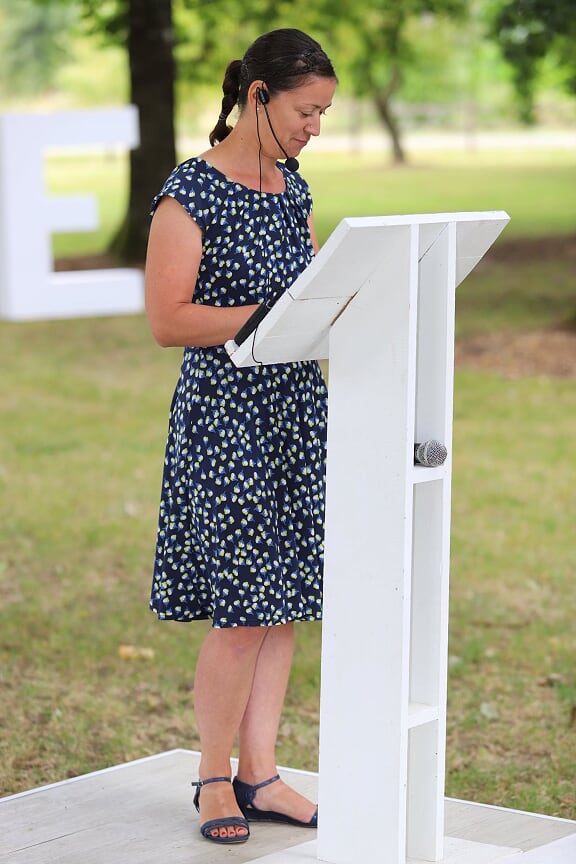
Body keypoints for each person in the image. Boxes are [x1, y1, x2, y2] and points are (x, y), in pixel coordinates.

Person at [144, 28, 337, 845]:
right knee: (240, 612)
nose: (314, 128)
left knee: (285, 599)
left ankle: (261, 773)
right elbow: (168, 318)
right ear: (259, 96)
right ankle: (212, 777)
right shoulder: (190, 191)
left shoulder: (293, 189)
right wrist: (274, 318)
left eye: (324, 113)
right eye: (305, 110)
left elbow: (318, 283)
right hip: (228, 420)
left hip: (296, 412)